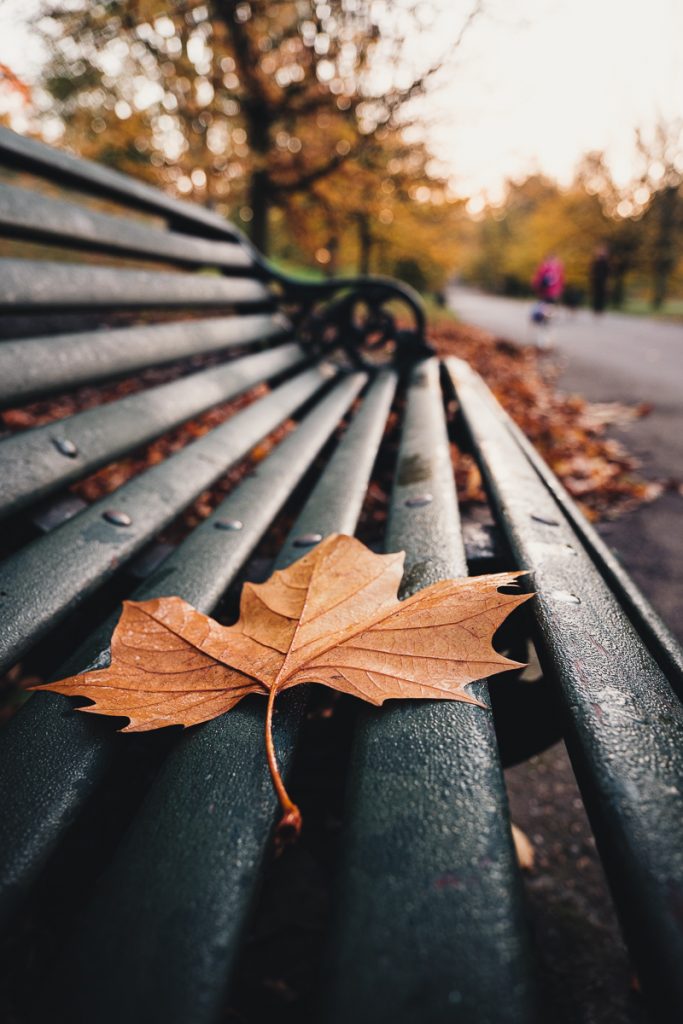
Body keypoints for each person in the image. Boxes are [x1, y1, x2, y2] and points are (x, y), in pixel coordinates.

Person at [589, 245, 610, 314]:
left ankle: (600, 310)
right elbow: (592, 271)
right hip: (596, 281)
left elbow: (608, 273)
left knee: (601, 296)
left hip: (603, 281)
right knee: (596, 296)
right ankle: (596, 309)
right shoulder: (596, 262)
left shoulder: (606, 263)